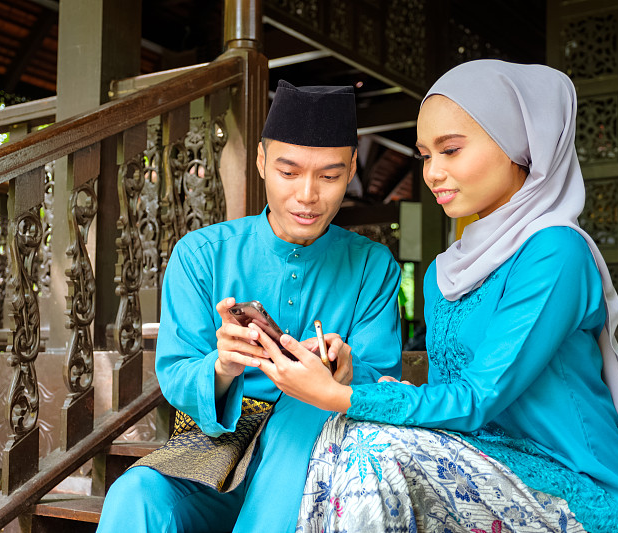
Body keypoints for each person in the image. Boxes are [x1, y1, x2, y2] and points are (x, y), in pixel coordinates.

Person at [251, 60, 618, 532]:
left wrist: (339, 395)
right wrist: (346, 384)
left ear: (517, 144)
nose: (433, 172)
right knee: (339, 432)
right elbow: (445, 400)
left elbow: (477, 399)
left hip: (574, 491)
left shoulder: (555, 253)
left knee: (371, 444)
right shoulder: (446, 270)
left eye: (451, 150)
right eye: (425, 155)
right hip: (475, 468)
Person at [95, 80, 403, 532]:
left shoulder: (372, 267)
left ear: (353, 167)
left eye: (330, 176)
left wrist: (346, 373)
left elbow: (383, 379)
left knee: (304, 408)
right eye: (289, 172)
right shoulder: (201, 254)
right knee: (136, 495)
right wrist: (223, 366)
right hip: (215, 445)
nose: (307, 195)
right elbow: (177, 372)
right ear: (261, 162)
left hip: (317, 450)